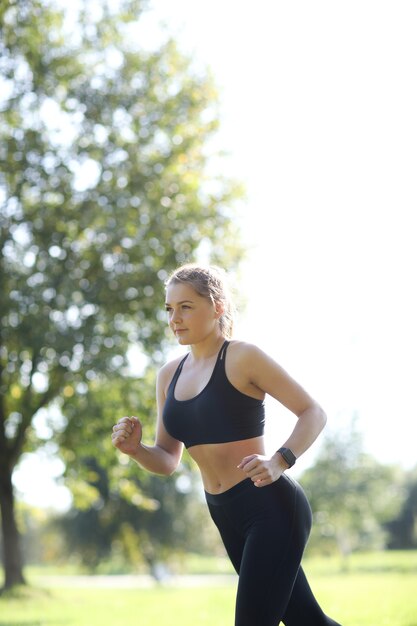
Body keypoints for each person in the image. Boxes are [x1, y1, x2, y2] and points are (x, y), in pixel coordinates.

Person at [112, 263, 342, 626]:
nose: (175, 318)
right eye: (170, 309)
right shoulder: (168, 375)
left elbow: (313, 412)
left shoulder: (242, 357)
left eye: (186, 307)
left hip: (271, 507)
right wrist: (137, 451)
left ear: (217, 306)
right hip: (224, 512)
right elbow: (168, 460)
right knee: (307, 621)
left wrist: (279, 461)